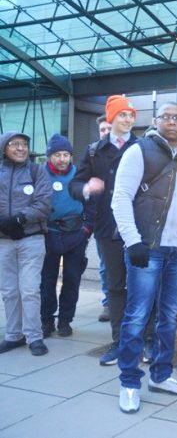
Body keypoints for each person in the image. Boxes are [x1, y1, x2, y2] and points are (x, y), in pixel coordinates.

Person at [111, 102, 177, 414]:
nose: (172, 121)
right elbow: (120, 198)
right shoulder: (138, 151)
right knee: (138, 316)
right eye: (166, 117)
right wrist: (133, 242)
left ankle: (161, 375)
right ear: (155, 121)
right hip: (148, 249)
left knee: (169, 316)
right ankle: (129, 382)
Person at [69, 95, 138, 366]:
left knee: (142, 287)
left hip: (138, 229)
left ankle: (143, 339)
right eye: (122, 114)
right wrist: (86, 189)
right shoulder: (95, 151)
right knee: (116, 287)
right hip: (108, 229)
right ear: (111, 118)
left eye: (131, 114)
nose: (128, 118)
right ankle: (120, 341)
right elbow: (75, 183)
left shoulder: (142, 147)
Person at [0, 131, 52, 356]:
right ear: (4, 148)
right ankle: (14, 335)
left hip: (31, 238)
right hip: (3, 241)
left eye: (24, 144)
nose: (21, 148)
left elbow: (44, 203)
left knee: (29, 289)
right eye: (15, 144)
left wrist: (20, 218)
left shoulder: (37, 170)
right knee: (10, 291)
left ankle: (34, 336)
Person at [40, 135, 93, 338]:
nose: (62, 159)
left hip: (76, 235)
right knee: (47, 280)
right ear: (49, 156)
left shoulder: (79, 175)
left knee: (72, 279)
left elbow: (92, 204)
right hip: (48, 235)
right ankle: (46, 320)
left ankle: (65, 320)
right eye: (57, 155)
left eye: (66, 155)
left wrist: (87, 229)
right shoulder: (40, 174)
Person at [96, 114, 111, 323]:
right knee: (106, 265)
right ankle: (109, 304)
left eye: (109, 128)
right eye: (102, 130)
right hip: (102, 221)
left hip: (128, 221)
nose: (106, 133)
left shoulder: (132, 150)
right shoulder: (93, 154)